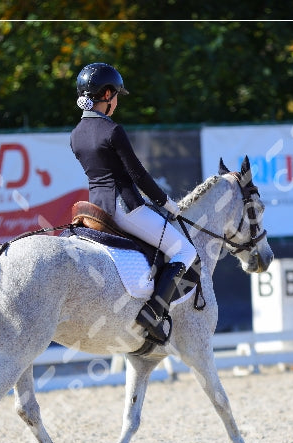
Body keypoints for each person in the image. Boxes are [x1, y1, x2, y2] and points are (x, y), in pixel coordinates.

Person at [70, 62, 198, 344]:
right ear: (106, 95)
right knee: (185, 251)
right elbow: (137, 173)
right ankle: (153, 313)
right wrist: (165, 202)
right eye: (115, 95)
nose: (116, 102)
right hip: (125, 209)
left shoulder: (76, 134)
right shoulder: (112, 130)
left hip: (97, 209)